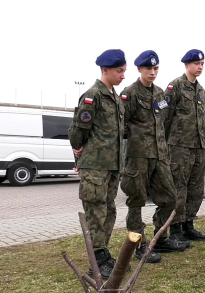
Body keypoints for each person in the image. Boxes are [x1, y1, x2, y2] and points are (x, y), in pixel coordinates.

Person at [119, 50, 188, 265]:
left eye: (156, 68)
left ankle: (160, 239)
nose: (152, 72)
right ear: (139, 69)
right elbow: (121, 124)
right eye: (148, 68)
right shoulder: (129, 93)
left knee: (170, 196)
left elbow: (164, 122)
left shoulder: (160, 94)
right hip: (138, 156)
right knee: (136, 201)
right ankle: (137, 244)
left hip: (160, 155)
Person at [68, 49, 127, 279]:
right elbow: (77, 132)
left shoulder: (115, 98)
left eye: (124, 70)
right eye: (119, 71)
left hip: (112, 167)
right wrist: (79, 149)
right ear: (105, 70)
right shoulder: (93, 96)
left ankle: (102, 255)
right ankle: (96, 263)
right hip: (95, 167)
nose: (123, 75)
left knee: (109, 210)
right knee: (96, 212)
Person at [162, 49, 205, 243]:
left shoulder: (201, 90)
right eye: (197, 64)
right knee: (178, 188)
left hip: (198, 146)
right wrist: (166, 144)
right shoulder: (175, 86)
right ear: (187, 65)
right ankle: (175, 228)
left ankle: (188, 224)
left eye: (202, 64)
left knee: (196, 188)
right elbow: (166, 117)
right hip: (179, 146)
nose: (200, 67)